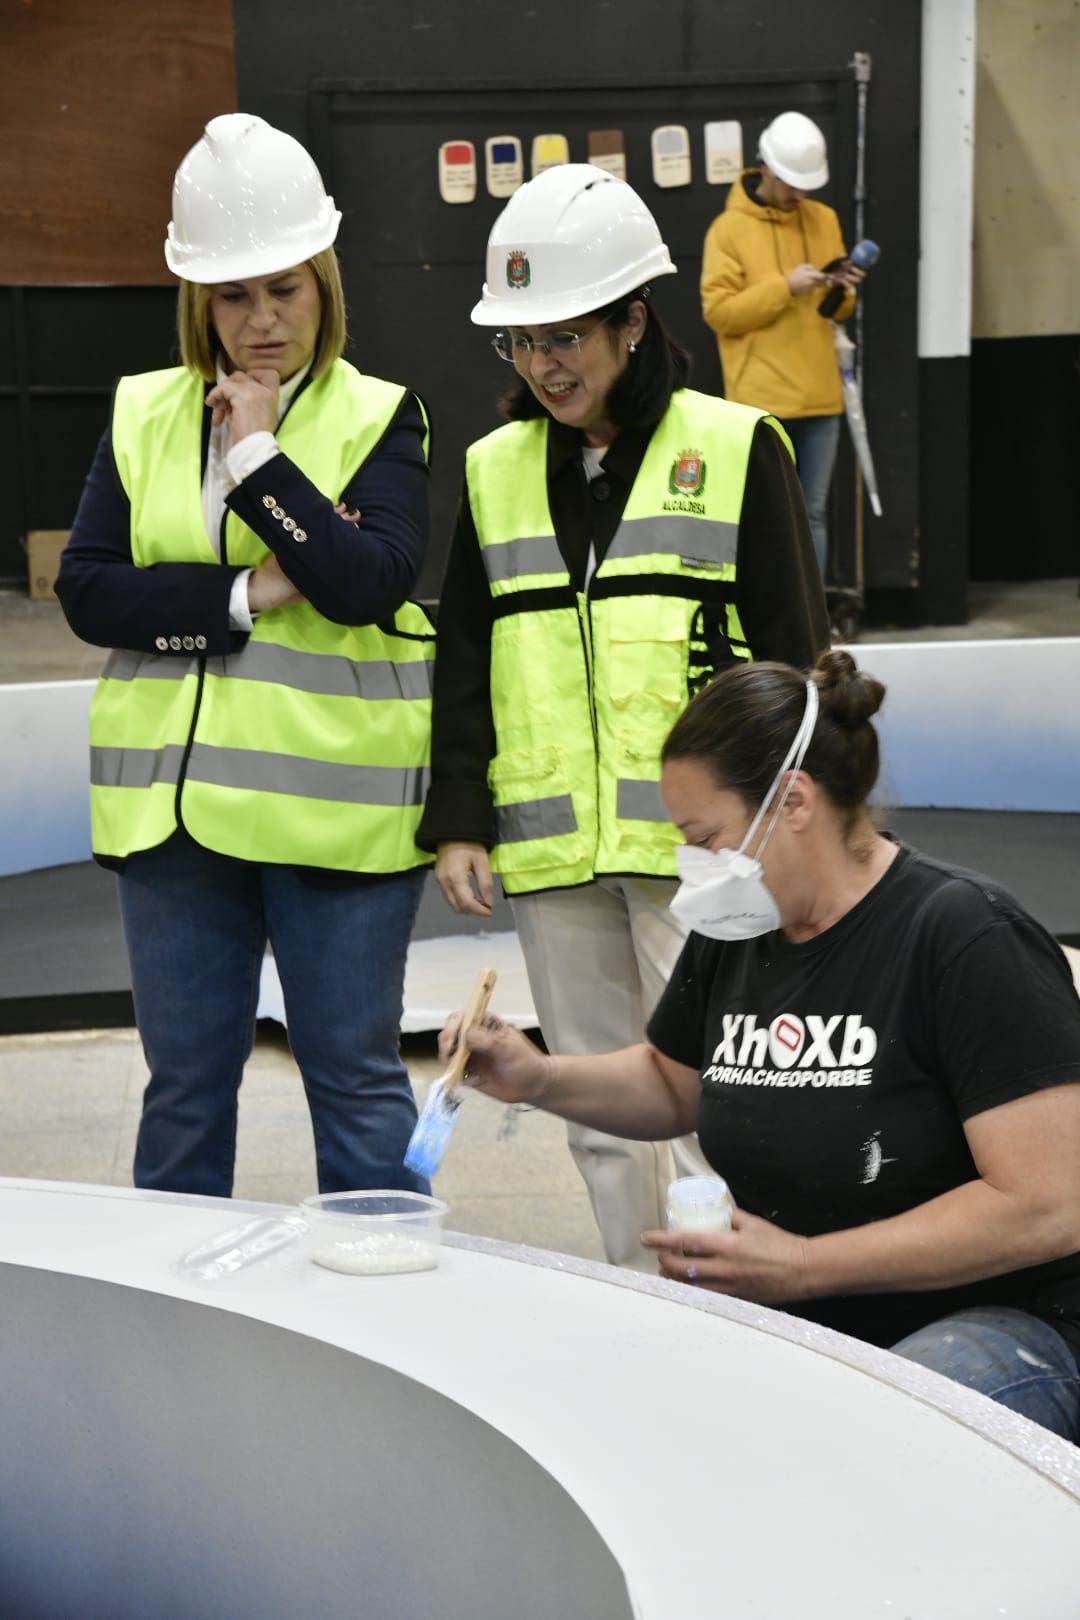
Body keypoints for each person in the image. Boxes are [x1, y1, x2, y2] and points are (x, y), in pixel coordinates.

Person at [438, 650, 1080, 1442]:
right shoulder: (743, 930)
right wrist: (537, 1076)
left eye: (704, 837)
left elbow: (1049, 1204)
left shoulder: (964, 936)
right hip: (808, 1315)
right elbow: (674, 1084)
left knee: (860, 1446)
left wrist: (808, 1266)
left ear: (795, 801)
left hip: (1003, 1322)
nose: (694, 869)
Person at [417, 163, 828, 1270]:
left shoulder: (739, 450)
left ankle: (741, 1322)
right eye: (523, 342)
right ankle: (634, 1308)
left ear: (633, 323)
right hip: (556, 856)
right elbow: (464, 653)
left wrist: (799, 832)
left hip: (710, 862)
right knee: (600, 1122)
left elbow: (800, 664)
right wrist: (460, 817)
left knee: (718, 1115)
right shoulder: (492, 470)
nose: (545, 365)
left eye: (567, 336)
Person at [56, 113, 436, 1198]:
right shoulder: (139, 413)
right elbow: (88, 590)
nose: (263, 321)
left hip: (334, 822)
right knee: (182, 1089)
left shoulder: (381, 416)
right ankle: (171, 1343)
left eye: (287, 290)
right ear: (198, 302)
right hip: (172, 825)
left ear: (325, 283)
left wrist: (260, 456)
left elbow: (367, 586)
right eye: (235, 296)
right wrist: (239, 592)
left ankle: (393, 1309)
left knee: (356, 1080)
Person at [700, 111, 863, 582]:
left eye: (806, 184)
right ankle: (766, 627)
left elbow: (838, 312)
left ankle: (815, 631)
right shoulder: (727, 230)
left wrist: (841, 288)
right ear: (766, 169)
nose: (799, 194)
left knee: (812, 516)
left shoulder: (824, 219)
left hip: (821, 396)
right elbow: (720, 314)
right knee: (764, 518)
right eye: (791, 182)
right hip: (760, 402)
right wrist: (785, 287)